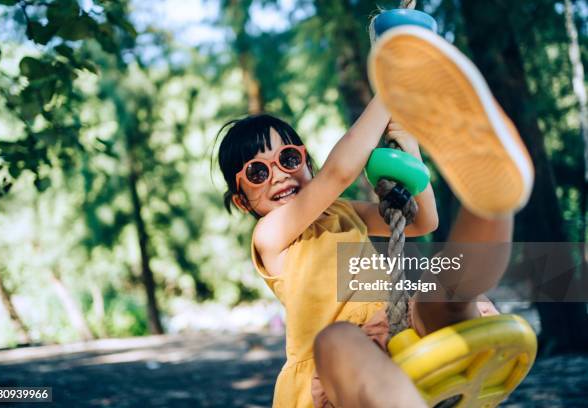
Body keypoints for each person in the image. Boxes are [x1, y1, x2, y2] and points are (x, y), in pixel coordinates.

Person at [215, 23, 533, 408]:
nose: (279, 174)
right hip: (338, 374)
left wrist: (410, 146)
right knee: (337, 340)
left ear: (306, 163)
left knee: (442, 292)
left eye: (288, 158)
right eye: (258, 172)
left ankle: (492, 200)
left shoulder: (343, 211)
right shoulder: (270, 236)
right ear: (242, 202)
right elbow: (339, 173)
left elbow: (421, 221)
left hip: (394, 333)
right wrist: (394, 86)